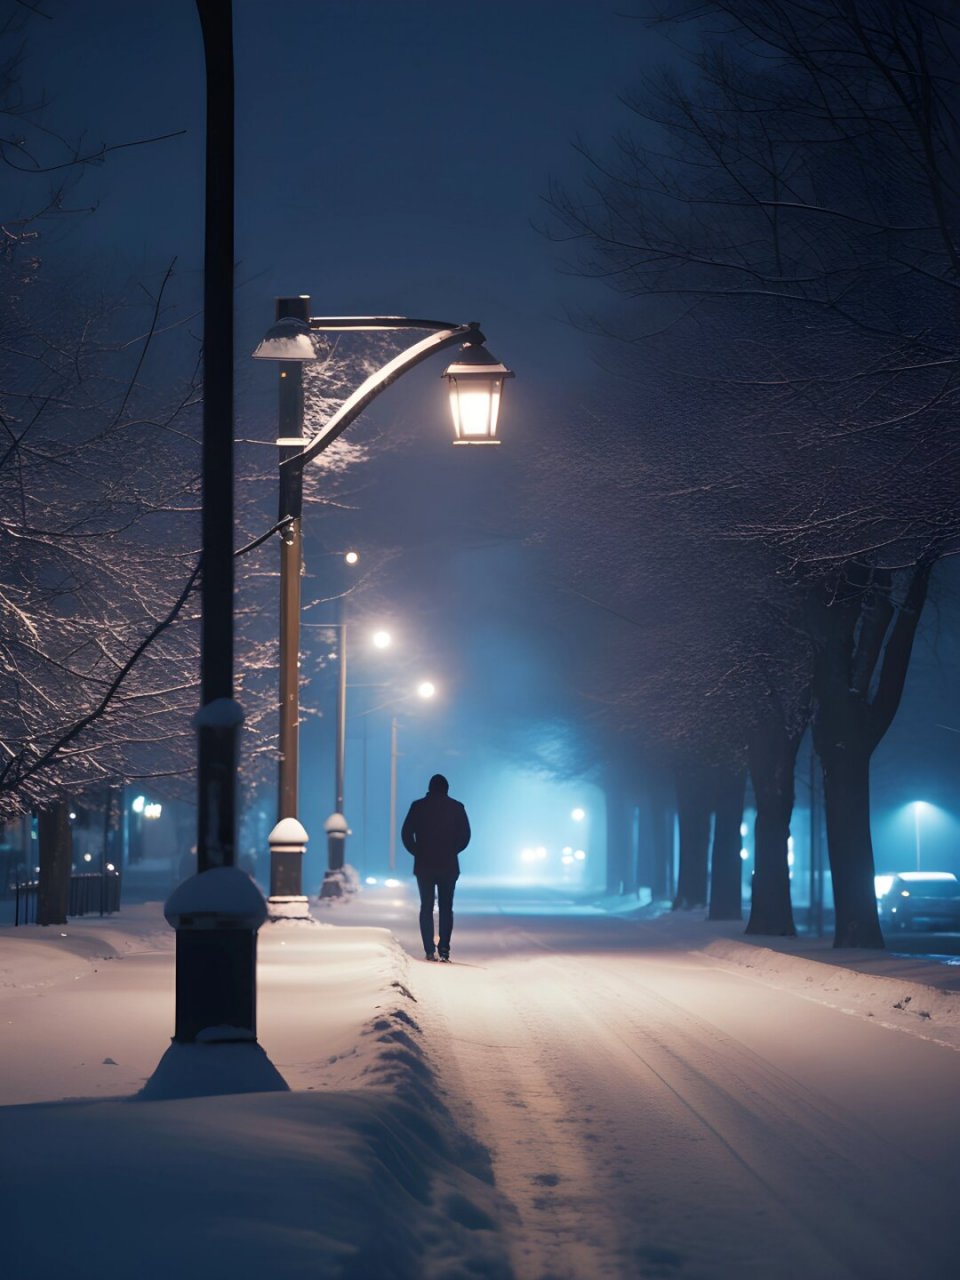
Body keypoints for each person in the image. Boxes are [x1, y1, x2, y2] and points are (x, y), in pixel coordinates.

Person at [401, 773, 470, 962]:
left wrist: (417, 851)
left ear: (429, 788)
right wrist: (452, 850)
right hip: (448, 865)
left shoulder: (418, 807)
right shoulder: (457, 807)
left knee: (426, 906)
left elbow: (406, 833)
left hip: (424, 865)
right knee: (446, 907)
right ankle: (445, 948)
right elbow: (465, 836)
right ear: (447, 789)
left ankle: (429, 949)